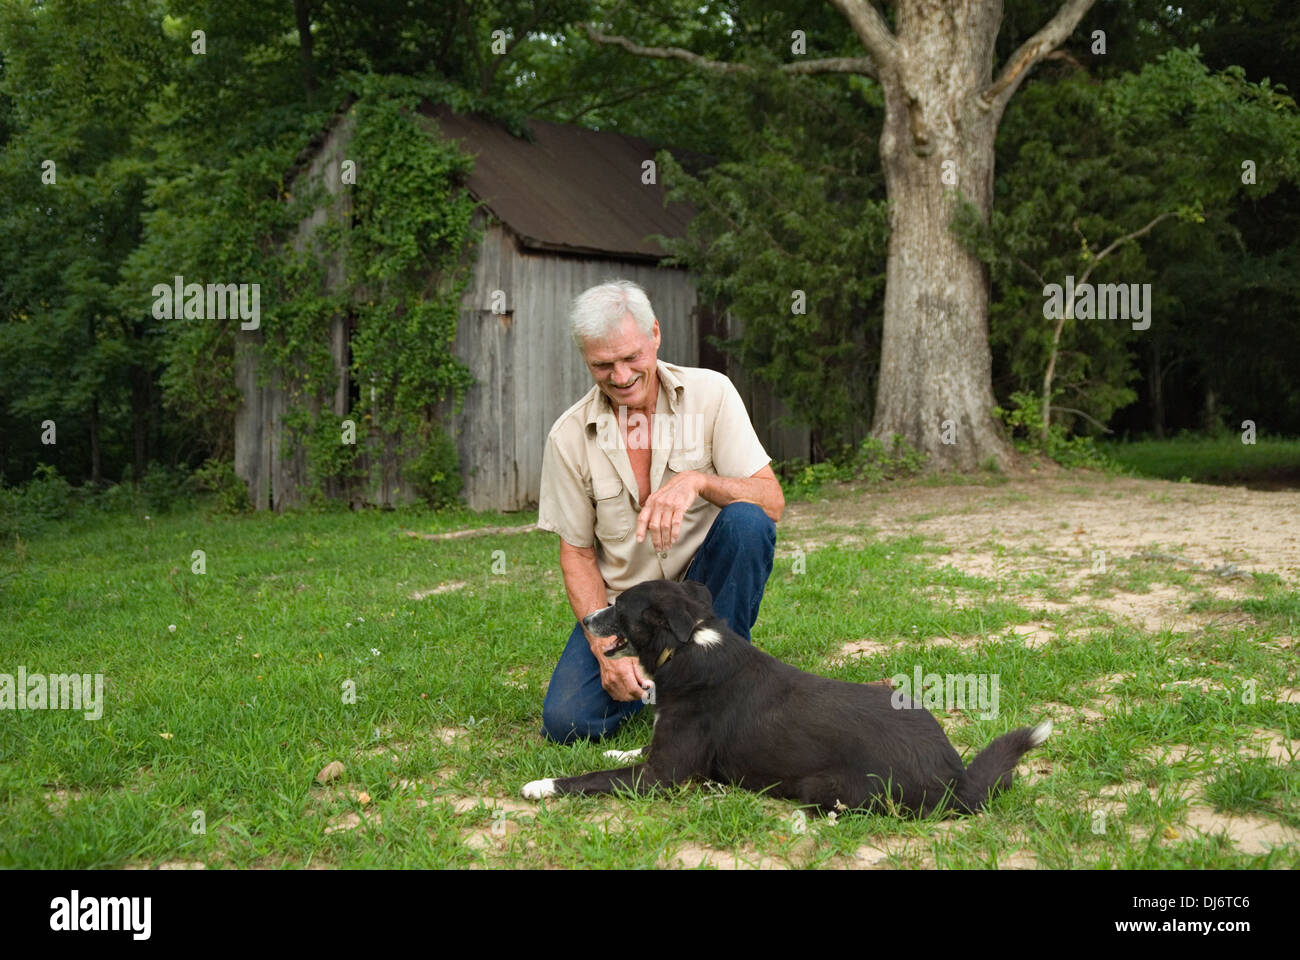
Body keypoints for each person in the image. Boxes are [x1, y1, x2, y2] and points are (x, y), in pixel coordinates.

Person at [536, 279, 784, 743]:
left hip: (700, 597)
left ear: (655, 334)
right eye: (602, 365)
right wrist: (606, 651)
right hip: (629, 609)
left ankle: (722, 682)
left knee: (748, 520)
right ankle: (661, 681)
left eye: (631, 357)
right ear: (586, 358)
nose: (621, 376)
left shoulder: (713, 393)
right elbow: (578, 555)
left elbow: (772, 502)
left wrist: (699, 481)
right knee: (568, 723)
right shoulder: (567, 437)